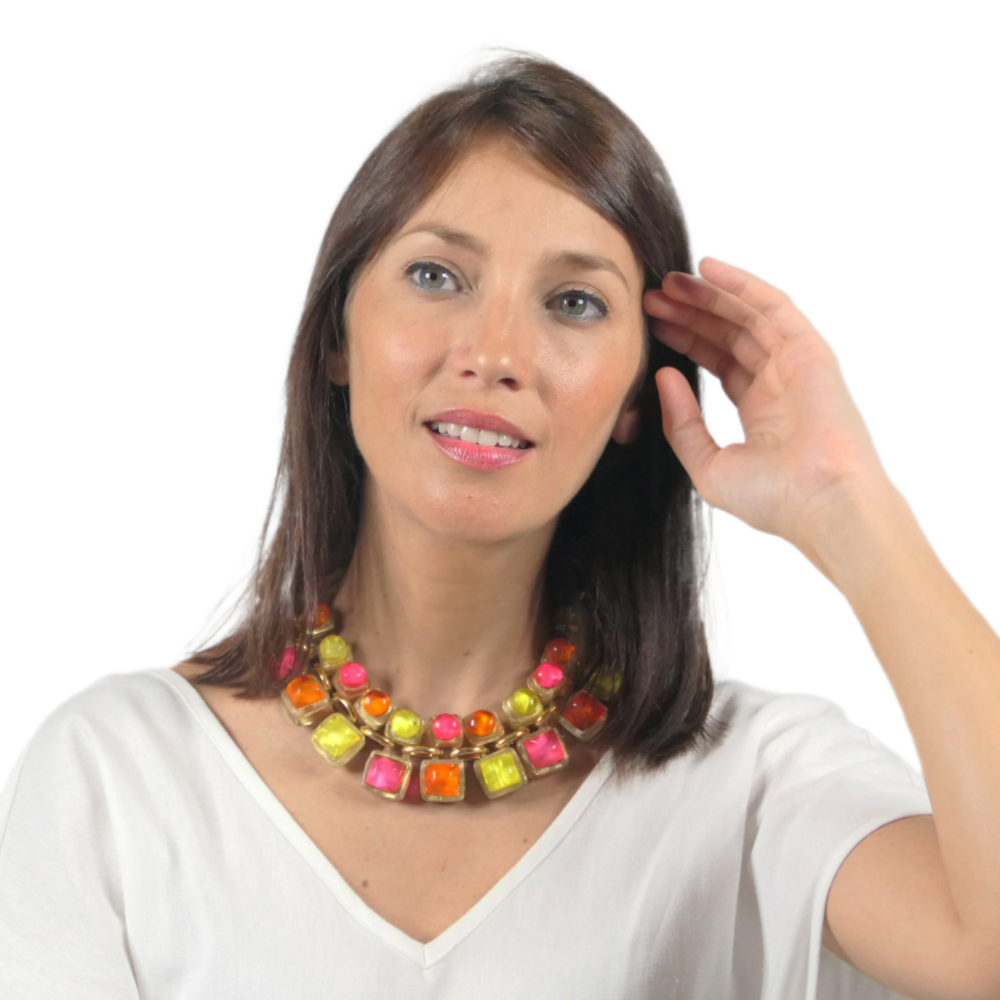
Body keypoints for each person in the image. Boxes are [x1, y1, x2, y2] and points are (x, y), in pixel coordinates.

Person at [2, 52, 998, 1000]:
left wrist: (849, 506)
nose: (495, 353)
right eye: (437, 276)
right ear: (340, 333)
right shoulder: (118, 775)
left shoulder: (751, 784)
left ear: (634, 397)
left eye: (573, 302)